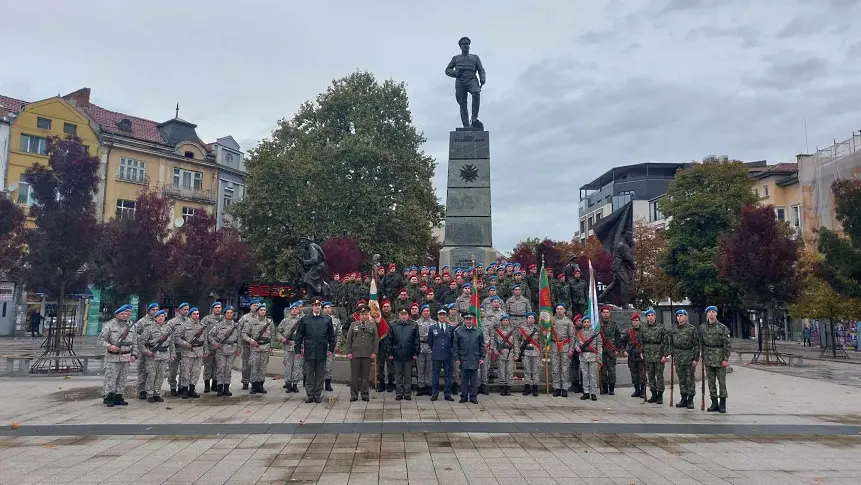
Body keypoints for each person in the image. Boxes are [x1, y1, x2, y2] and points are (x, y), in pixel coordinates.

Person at [294, 298, 336, 404]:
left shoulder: (326, 319)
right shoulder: (305, 319)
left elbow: (331, 336)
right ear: (312, 307)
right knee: (309, 374)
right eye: (315, 305)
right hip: (309, 350)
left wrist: (331, 348)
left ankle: (317, 395)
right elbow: (299, 336)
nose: (317, 307)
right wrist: (298, 350)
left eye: (319, 305)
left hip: (321, 350)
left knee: (320, 374)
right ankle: (310, 395)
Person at [97, 305, 136, 407]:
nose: (124, 315)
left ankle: (119, 396)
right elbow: (101, 340)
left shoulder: (131, 325)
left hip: (126, 357)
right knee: (111, 378)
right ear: (116, 315)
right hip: (113, 357)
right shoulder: (110, 325)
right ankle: (109, 397)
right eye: (122, 314)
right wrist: (110, 346)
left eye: (125, 314)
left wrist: (134, 354)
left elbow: (135, 341)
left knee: (122, 379)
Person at [701, 305, 731, 413]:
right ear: (707, 314)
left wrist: (725, 359)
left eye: (713, 312)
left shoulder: (722, 328)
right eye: (709, 312)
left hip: (719, 358)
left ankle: (722, 404)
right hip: (708, 358)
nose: (711, 314)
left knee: (721, 382)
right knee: (711, 382)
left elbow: (727, 345)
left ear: (716, 314)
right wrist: (702, 355)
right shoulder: (703, 327)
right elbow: (701, 343)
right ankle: (714, 402)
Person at [346, 304, 379, 402]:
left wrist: (374, 352)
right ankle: (354, 395)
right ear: (359, 315)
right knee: (355, 376)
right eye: (362, 314)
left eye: (365, 314)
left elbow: (376, 340)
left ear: (368, 315)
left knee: (365, 376)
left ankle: (365, 394)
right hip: (355, 354)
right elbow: (349, 339)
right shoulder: (353, 325)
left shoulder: (372, 325)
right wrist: (348, 352)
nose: (364, 316)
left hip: (367, 354)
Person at [138, 310, 172, 403]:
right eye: (159, 316)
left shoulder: (167, 328)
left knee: (161, 375)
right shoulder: (149, 329)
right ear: (155, 318)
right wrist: (147, 352)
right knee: (151, 375)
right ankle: (149, 394)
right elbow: (141, 343)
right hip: (153, 355)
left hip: (164, 355)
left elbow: (171, 343)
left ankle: (157, 393)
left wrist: (172, 354)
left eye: (163, 316)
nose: (161, 318)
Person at [671, 309, 701, 410]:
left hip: (689, 356)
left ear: (686, 317)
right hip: (678, 356)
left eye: (682, 315)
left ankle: (690, 399)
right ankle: (683, 398)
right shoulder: (673, 329)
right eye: (678, 315)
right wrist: (671, 355)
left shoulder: (692, 329)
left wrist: (696, 359)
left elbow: (696, 345)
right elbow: (670, 343)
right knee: (681, 379)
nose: (679, 317)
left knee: (690, 379)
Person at [207, 306, 240, 397]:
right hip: (221, 350)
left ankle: (226, 387)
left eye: (231, 312)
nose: (229, 314)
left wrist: (238, 349)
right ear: (224, 314)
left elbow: (239, 339)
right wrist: (215, 344)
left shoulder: (236, 325)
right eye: (227, 312)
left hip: (232, 350)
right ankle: (220, 387)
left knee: (228, 369)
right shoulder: (219, 325)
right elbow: (210, 335)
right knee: (221, 369)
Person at [453, 313, 485, 404]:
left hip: (475, 358)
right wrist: (457, 358)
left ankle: (473, 396)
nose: (468, 321)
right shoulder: (458, 331)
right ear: (464, 320)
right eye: (467, 319)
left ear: (473, 320)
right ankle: (463, 396)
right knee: (464, 379)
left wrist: (482, 357)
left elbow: (482, 345)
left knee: (474, 380)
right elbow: (455, 346)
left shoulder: (479, 331)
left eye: (470, 319)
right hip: (463, 358)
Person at [388, 308, 419, 400]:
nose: (404, 316)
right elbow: (390, 340)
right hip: (397, 353)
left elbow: (416, 340)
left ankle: (407, 393)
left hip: (409, 353)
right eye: (402, 314)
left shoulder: (414, 325)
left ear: (408, 315)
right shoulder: (393, 325)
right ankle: (399, 393)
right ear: (399, 315)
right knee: (398, 375)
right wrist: (390, 352)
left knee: (408, 375)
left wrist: (415, 352)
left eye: (405, 314)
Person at [242, 303, 273, 395]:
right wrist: (250, 340)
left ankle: (261, 385)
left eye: (264, 310)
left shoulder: (269, 322)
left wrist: (271, 346)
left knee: (263, 367)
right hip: (255, 347)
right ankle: (254, 386)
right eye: (261, 310)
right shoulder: (251, 321)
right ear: (257, 311)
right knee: (254, 367)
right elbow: (244, 333)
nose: (263, 312)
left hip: (266, 347)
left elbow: (272, 334)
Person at [175, 306, 205, 399]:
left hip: (198, 352)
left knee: (196, 372)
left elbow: (205, 339)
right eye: (194, 314)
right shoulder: (184, 325)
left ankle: (192, 390)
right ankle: (184, 390)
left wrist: (206, 351)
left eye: (197, 314)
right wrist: (185, 344)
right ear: (190, 315)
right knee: (185, 372)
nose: (196, 316)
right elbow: (176, 337)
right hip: (187, 352)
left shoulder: (202, 325)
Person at [428, 308, 456, 401]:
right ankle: (434, 393)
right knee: (435, 375)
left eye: (444, 314)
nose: (442, 316)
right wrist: (436, 349)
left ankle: (447, 394)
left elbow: (452, 342)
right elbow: (430, 341)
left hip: (448, 355)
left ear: (446, 316)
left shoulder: (450, 328)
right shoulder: (432, 327)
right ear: (437, 316)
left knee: (448, 375)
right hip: (436, 355)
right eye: (440, 314)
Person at [641, 309, 668, 404]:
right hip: (648, 354)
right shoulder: (643, 328)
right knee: (650, 375)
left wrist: (665, 355)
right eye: (648, 316)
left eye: (652, 315)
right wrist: (642, 351)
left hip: (658, 354)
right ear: (646, 317)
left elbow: (665, 342)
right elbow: (641, 341)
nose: (650, 317)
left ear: (655, 316)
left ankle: (660, 394)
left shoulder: (661, 328)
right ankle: (653, 393)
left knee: (659, 375)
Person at [135, 302, 160, 400]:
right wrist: (143, 340)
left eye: (156, 310)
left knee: (152, 371)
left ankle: (151, 389)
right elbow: (136, 334)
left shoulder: (158, 320)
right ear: (148, 310)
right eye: (153, 310)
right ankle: (141, 390)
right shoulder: (142, 321)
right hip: (144, 349)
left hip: (154, 350)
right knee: (142, 370)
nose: (155, 311)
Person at [278, 302, 304, 394]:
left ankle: (295, 384)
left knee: (297, 366)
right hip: (288, 346)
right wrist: (282, 338)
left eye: (296, 308)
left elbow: (306, 334)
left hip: (298, 346)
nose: (294, 310)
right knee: (288, 366)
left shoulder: (302, 320)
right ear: (290, 310)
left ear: (298, 310)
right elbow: (278, 331)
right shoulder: (285, 321)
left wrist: (303, 345)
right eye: (292, 309)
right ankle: (288, 384)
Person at [550, 304, 575, 397]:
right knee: (555, 367)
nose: (559, 310)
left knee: (565, 368)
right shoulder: (551, 321)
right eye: (557, 309)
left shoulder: (568, 322)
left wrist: (571, 349)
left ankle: (564, 388)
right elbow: (546, 333)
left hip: (565, 346)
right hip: (554, 345)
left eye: (561, 309)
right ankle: (556, 387)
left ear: (565, 310)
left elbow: (572, 337)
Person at [515, 312, 542, 396]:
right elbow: (517, 339)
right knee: (527, 370)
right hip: (526, 352)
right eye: (529, 318)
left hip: (535, 352)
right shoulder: (522, 328)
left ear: (534, 319)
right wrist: (517, 350)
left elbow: (541, 341)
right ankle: (527, 387)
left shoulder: (538, 329)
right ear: (526, 319)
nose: (531, 319)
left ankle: (535, 388)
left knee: (535, 371)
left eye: (532, 318)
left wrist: (542, 351)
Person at [200, 301, 225, 393]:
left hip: (220, 347)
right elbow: (203, 333)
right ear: (212, 309)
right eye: (216, 307)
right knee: (208, 366)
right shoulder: (206, 319)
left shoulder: (224, 319)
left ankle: (215, 384)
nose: (218, 309)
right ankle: (207, 385)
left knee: (217, 366)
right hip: (209, 346)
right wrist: (205, 348)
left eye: (219, 307)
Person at [576, 315, 602, 401]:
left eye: (588, 322)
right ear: (582, 323)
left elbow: (599, 345)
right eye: (585, 322)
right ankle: (586, 392)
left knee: (593, 375)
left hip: (593, 356)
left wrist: (599, 356)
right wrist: (577, 348)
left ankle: (593, 393)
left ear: (590, 323)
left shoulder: (595, 333)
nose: (586, 323)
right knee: (585, 375)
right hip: (583, 356)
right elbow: (576, 344)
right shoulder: (579, 333)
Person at [166, 302, 190, 397]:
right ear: (179, 310)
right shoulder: (172, 322)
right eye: (184, 309)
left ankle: (181, 387)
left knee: (185, 370)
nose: (186, 311)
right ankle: (172, 387)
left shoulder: (190, 321)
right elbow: (168, 336)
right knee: (173, 370)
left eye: (188, 309)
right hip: (175, 349)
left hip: (186, 350)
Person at [238, 299, 261, 390]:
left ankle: (256, 382)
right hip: (246, 345)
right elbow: (239, 331)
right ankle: (245, 381)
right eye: (254, 305)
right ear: (250, 306)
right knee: (246, 364)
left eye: (257, 305)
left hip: (257, 345)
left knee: (257, 364)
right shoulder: (244, 318)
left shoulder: (261, 318)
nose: (256, 307)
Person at [491, 314, 516, 396]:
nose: (505, 321)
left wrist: (516, 353)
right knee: (501, 370)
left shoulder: (512, 331)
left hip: (510, 353)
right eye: (503, 320)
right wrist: (495, 350)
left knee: (509, 371)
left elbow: (516, 343)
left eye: (506, 320)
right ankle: (502, 386)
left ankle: (508, 387)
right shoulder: (497, 331)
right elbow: (494, 342)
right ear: (501, 321)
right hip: (500, 353)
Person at [599, 306, 622, 395]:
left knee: (611, 370)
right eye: (604, 312)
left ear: (610, 313)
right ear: (601, 314)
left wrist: (617, 349)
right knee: (603, 369)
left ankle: (611, 388)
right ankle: (604, 388)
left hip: (611, 350)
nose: (605, 314)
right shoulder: (598, 324)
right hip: (601, 350)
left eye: (607, 312)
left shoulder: (613, 324)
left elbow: (618, 337)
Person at [416, 305, 435, 396]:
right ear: (421, 312)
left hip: (430, 348)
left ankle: (429, 386)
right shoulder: (416, 323)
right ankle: (421, 386)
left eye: (427, 311)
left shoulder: (434, 323)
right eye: (424, 311)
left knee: (429, 368)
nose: (426, 312)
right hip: (420, 347)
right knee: (420, 368)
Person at [323, 301, 341, 392]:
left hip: (330, 346)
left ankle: (328, 383)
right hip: (320, 346)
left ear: (331, 309)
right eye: (325, 308)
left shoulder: (336, 321)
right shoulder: (319, 319)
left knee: (329, 365)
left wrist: (337, 345)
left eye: (328, 308)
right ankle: (319, 383)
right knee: (320, 365)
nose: (327, 309)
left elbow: (338, 333)